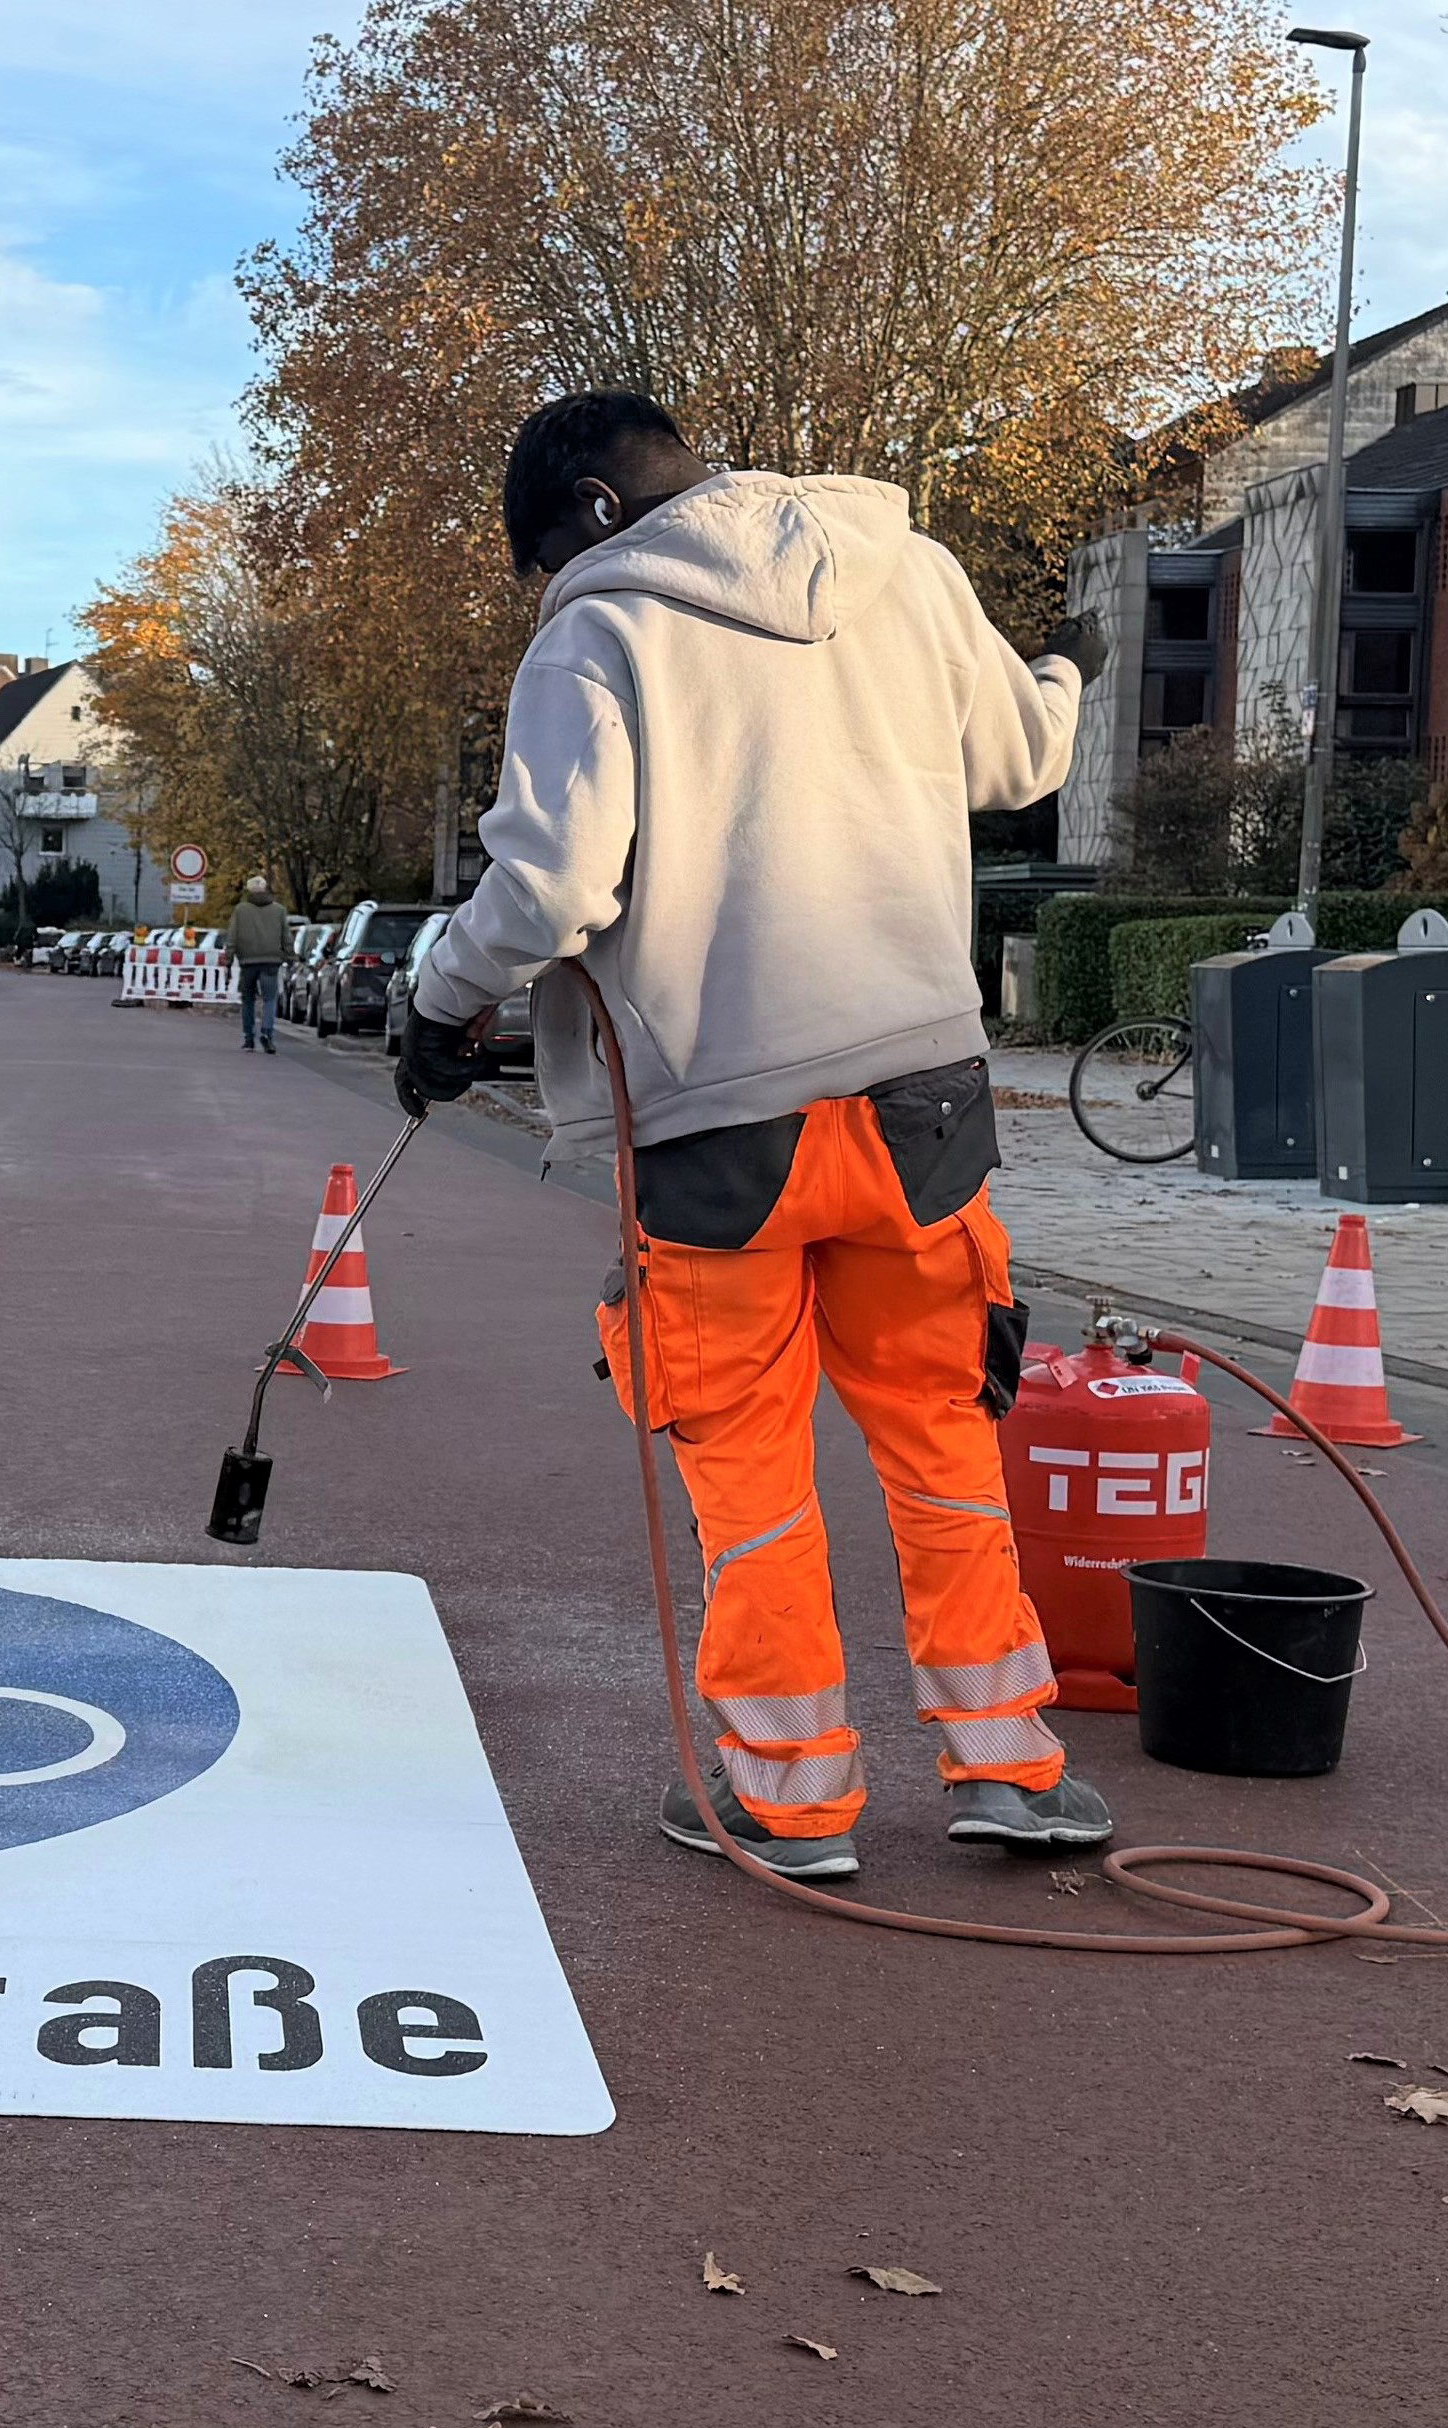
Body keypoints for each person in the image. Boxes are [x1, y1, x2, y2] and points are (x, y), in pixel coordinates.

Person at [397, 392, 1115, 1881]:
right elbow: (1020, 760)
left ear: (592, 509)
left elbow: (550, 890)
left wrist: (438, 1001)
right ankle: (1013, 1773)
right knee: (941, 1443)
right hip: (922, 1097)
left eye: (547, 553)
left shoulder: (596, 636)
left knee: (752, 1474)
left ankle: (791, 1802)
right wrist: (1065, 666)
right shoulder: (906, 571)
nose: (551, 584)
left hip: (719, 1121)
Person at [223, 873, 293, 1053]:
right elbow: (286, 937)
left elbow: (232, 936)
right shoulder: (279, 910)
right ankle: (267, 1033)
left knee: (248, 999)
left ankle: (249, 1037)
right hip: (271, 961)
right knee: (270, 998)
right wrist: (290, 956)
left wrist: (229, 959)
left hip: (248, 961)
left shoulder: (240, 910)